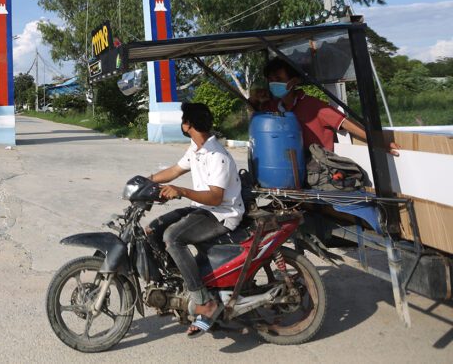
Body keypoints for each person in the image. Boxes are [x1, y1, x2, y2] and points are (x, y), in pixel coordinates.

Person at [146, 102, 244, 338]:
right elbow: (176, 170)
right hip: (202, 207)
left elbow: (215, 197)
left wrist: (181, 191)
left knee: (173, 237)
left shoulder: (216, 155)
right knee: (153, 229)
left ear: (188, 124)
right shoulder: (196, 148)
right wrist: (145, 182)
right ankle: (180, 282)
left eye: (183, 119)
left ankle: (203, 301)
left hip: (222, 214)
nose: (182, 123)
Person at [252, 57, 400, 155]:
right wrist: (254, 97)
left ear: (294, 81)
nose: (273, 83)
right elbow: (254, 112)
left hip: (319, 168)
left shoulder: (314, 106)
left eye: (278, 79)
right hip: (288, 168)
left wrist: (382, 143)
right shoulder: (271, 107)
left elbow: (346, 124)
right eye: (270, 80)